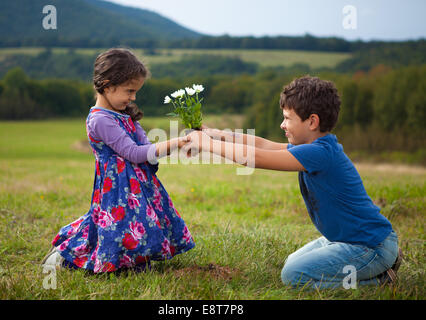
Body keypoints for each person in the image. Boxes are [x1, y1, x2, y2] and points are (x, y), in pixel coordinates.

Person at [185, 75, 402, 289]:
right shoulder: (317, 148)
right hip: (348, 240)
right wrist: (215, 134)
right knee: (292, 263)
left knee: (294, 275)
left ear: (312, 121)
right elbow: (264, 145)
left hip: (370, 246)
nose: (282, 124)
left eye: (287, 118)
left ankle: (380, 280)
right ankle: (376, 267)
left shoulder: (320, 154)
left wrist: (207, 145)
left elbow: (257, 158)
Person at [42, 48, 195, 273]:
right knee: (117, 226)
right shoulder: (100, 120)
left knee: (141, 223)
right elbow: (133, 153)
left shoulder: (124, 114)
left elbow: (145, 148)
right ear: (107, 85)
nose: (133, 97)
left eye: (135, 92)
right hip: (117, 187)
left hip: (137, 185)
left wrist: (178, 147)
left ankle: (133, 263)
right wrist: (175, 143)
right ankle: (66, 258)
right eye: (129, 91)